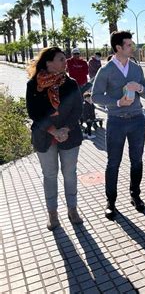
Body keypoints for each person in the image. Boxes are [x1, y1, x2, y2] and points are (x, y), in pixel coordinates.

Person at [92, 31, 145, 219]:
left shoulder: (136, 68)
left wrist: (140, 88)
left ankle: (135, 195)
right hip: (116, 121)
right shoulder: (106, 70)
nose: (132, 47)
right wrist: (117, 102)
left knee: (137, 160)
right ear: (118, 48)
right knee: (113, 163)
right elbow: (95, 96)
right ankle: (111, 202)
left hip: (137, 120)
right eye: (128, 45)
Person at [26, 47, 84, 230]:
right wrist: (53, 131)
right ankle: (52, 213)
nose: (65, 61)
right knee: (50, 176)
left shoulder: (71, 83)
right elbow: (34, 112)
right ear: (48, 62)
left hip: (69, 135)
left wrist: (65, 129)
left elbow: (78, 110)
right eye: (60, 59)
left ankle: (72, 209)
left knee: (70, 174)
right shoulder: (33, 84)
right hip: (45, 137)